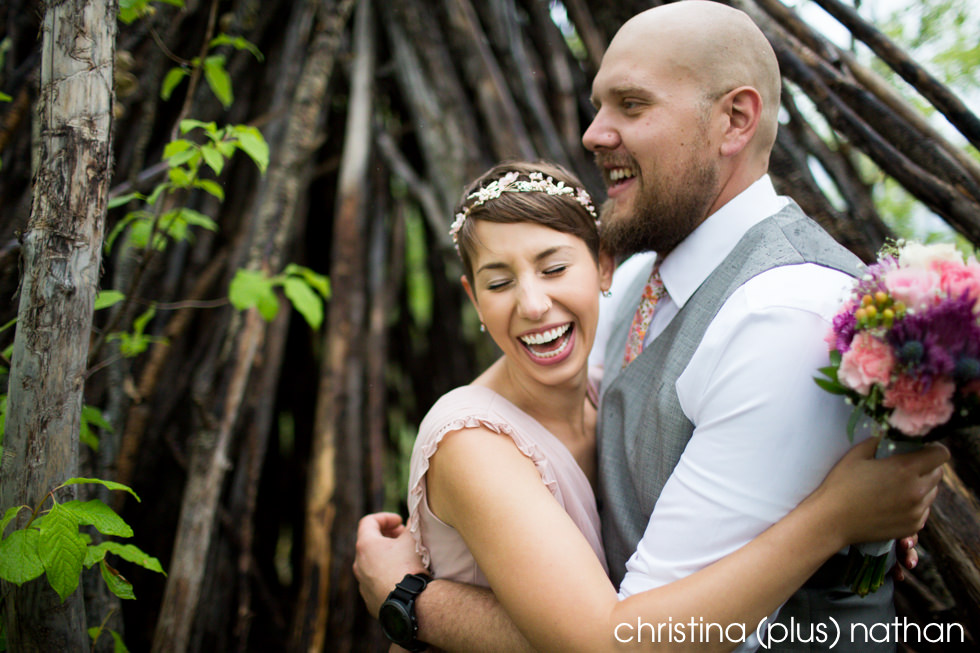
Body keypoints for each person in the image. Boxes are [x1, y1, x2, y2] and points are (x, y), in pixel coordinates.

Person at [355, 3, 950, 651]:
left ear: (734, 119)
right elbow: (511, 413)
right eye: (599, 105)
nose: (592, 133)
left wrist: (413, 601)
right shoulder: (640, 281)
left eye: (631, 105)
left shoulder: (785, 315)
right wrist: (456, 448)